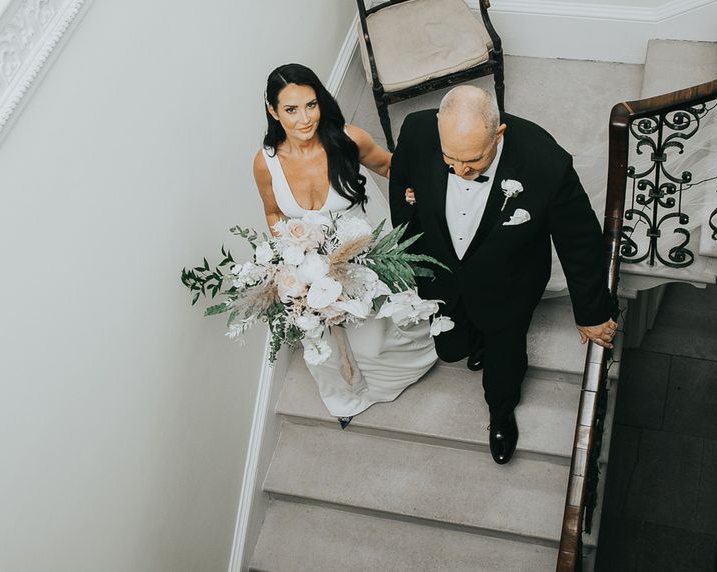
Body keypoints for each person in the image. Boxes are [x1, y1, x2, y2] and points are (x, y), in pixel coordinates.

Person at [389, 85, 617, 464]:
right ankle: (472, 342)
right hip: (443, 274)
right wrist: (412, 248)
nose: (461, 173)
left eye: (473, 161)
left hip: (509, 282)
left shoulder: (546, 163)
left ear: (499, 135)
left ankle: (501, 412)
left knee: (504, 355)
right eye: (451, 159)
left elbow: (580, 241)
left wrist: (592, 313)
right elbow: (401, 184)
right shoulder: (416, 130)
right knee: (453, 347)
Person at [253, 63, 437, 427]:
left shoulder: (348, 140)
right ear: (273, 112)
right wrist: (291, 258)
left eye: (311, 105)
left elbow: (389, 166)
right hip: (311, 266)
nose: (305, 119)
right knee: (319, 343)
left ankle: (393, 376)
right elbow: (274, 214)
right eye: (291, 110)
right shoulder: (266, 163)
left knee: (375, 335)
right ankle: (344, 396)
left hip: (365, 255)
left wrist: (417, 189)